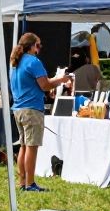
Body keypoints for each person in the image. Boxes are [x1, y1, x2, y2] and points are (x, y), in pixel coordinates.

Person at [10, 32, 72, 192]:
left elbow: (32, 85)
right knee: (32, 146)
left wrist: (46, 88)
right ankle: (30, 183)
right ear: (31, 46)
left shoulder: (16, 63)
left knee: (24, 146)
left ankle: (22, 182)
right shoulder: (33, 61)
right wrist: (62, 80)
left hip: (18, 108)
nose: (40, 48)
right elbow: (45, 85)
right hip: (31, 109)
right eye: (38, 45)